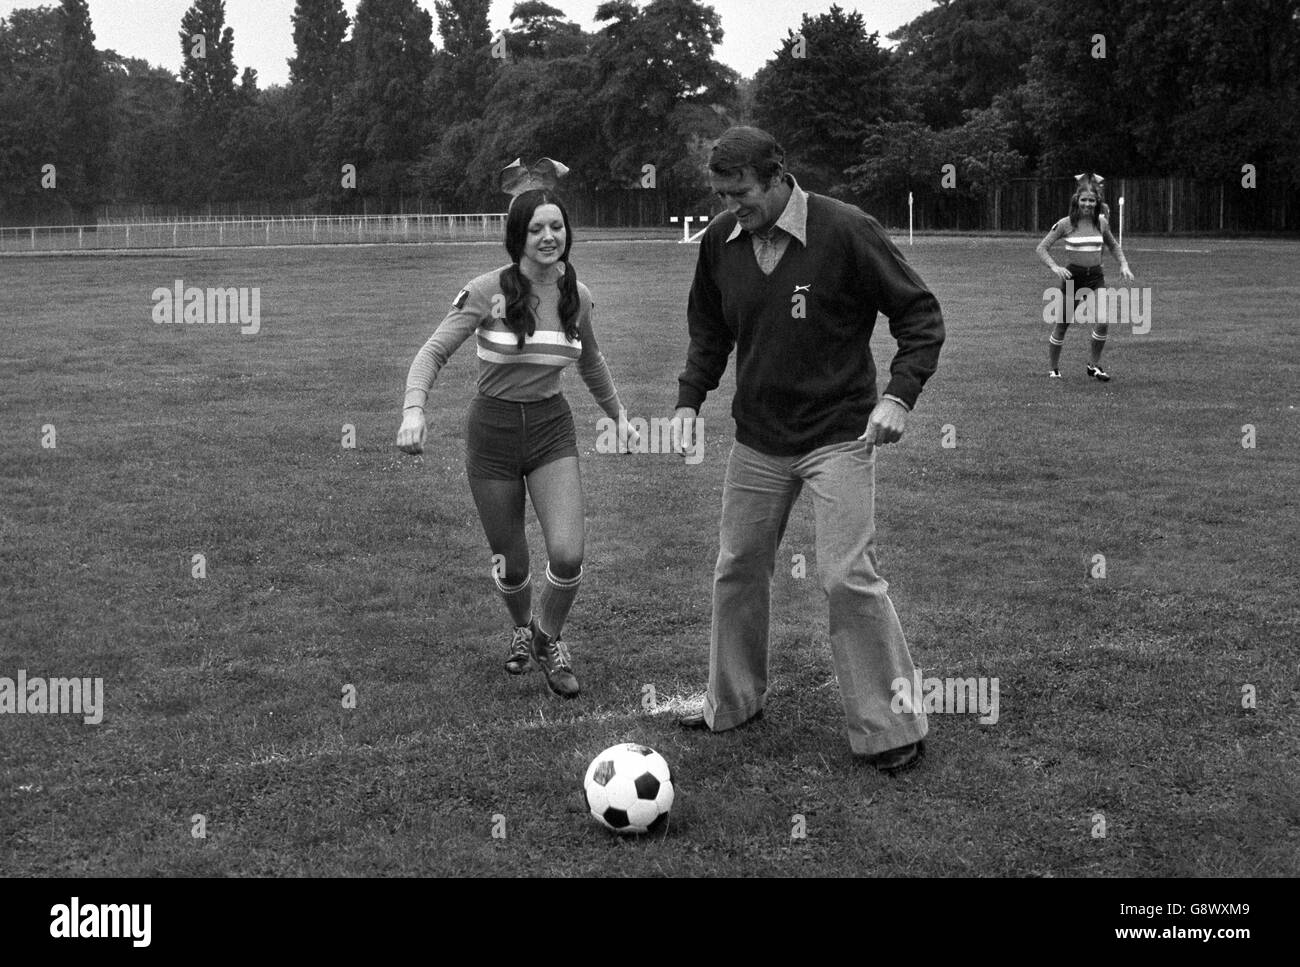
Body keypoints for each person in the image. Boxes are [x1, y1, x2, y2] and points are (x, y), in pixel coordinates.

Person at [670, 126, 944, 774]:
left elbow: (920, 315)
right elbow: (709, 330)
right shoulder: (720, 243)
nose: (732, 206)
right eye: (722, 195)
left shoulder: (845, 230)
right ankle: (733, 702)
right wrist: (688, 400)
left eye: (741, 194)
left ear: (778, 177)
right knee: (737, 566)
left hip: (839, 433)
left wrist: (898, 397)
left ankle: (891, 724)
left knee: (846, 574)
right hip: (759, 438)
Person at [396, 158, 633, 698]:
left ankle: (547, 636)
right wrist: (415, 409)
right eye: (536, 229)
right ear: (518, 237)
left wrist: (618, 417)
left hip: (551, 428)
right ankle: (520, 628)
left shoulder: (578, 292)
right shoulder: (485, 291)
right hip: (493, 432)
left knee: (568, 552)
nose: (549, 237)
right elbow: (432, 352)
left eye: (557, 226)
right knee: (512, 560)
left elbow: (591, 361)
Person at [1036, 173, 1135, 380]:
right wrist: (1055, 267)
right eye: (1084, 200)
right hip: (1073, 279)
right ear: (1077, 201)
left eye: (1091, 200)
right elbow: (1042, 248)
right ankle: (1054, 368)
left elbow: (1113, 246)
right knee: (1062, 325)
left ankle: (1094, 365)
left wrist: (1124, 264)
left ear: (1096, 202)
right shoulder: (1065, 224)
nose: (1087, 204)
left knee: (1103, 321)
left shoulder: (1101, 222)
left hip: (1095, 279)